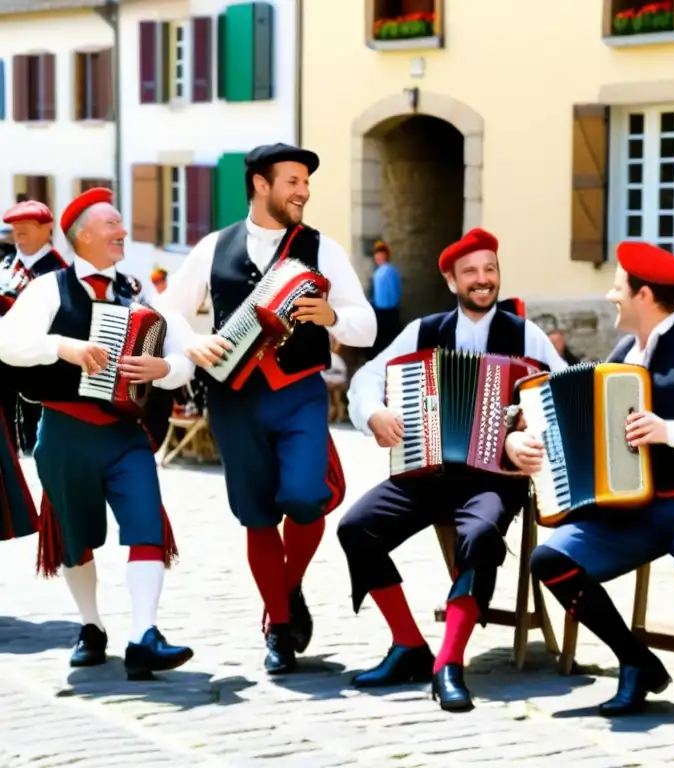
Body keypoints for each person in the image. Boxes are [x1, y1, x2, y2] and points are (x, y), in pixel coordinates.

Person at [504, 241, 674, 731]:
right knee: (550, 560)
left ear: (644, 295)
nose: (611, 297)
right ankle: (637, 661)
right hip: (628, 509)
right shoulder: (621, 354)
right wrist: (529, 444)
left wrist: (670, 431)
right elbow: (581, 432)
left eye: (617, 289)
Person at [155, 143, 376, 675]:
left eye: (305, 183)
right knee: (256, 517)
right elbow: (167, 309)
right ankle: (278, 626)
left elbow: (365, 324)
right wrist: (191, 344)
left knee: (305, 498)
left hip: (298, 393)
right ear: (260, 184)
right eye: (293, 181)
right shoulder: (213, 247)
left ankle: (288, 584)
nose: (303, 191)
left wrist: (330, 316)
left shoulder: (323, 249)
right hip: (232, 399)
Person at [339, 227, 566, 712]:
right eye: (471, 273)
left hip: (495, 479)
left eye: (490, 270)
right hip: (427, 469)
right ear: (451, 281)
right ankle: (408, 646)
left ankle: (449, 663)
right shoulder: (423, 330)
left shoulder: (526, 334)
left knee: (481, 536)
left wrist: (530, 438)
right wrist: (373, 414)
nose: (483, 281)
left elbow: (561, 399)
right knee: (356, 528)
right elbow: (365, 378)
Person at [0, 188, 195, 679]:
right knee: (75, 539)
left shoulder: (136, 289)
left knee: (147, 525)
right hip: (64, 433)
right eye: (112, 225)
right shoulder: (48, 288)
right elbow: (8, 344)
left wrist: (163, 367)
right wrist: (63, 347)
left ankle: (143, 636)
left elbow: (183, 354)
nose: (122, 232)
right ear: (83, 235)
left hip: (125, 434)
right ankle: (91, 627)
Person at [0, 201, 68, 454]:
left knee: (40, 449)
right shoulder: (6, 264)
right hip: (3, 367)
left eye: (25, 228)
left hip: (37, 371)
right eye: (15, 228)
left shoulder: (58, 272)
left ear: (46, 228)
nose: (18, 234)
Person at [369, 240, 402, 356]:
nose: (378, 256)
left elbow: (396, 290)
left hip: (388, 312)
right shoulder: (379, 272)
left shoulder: (389, 270)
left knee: (385, 341)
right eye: (376, 254)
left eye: (381, 254)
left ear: (386, 255)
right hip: (382, 312)